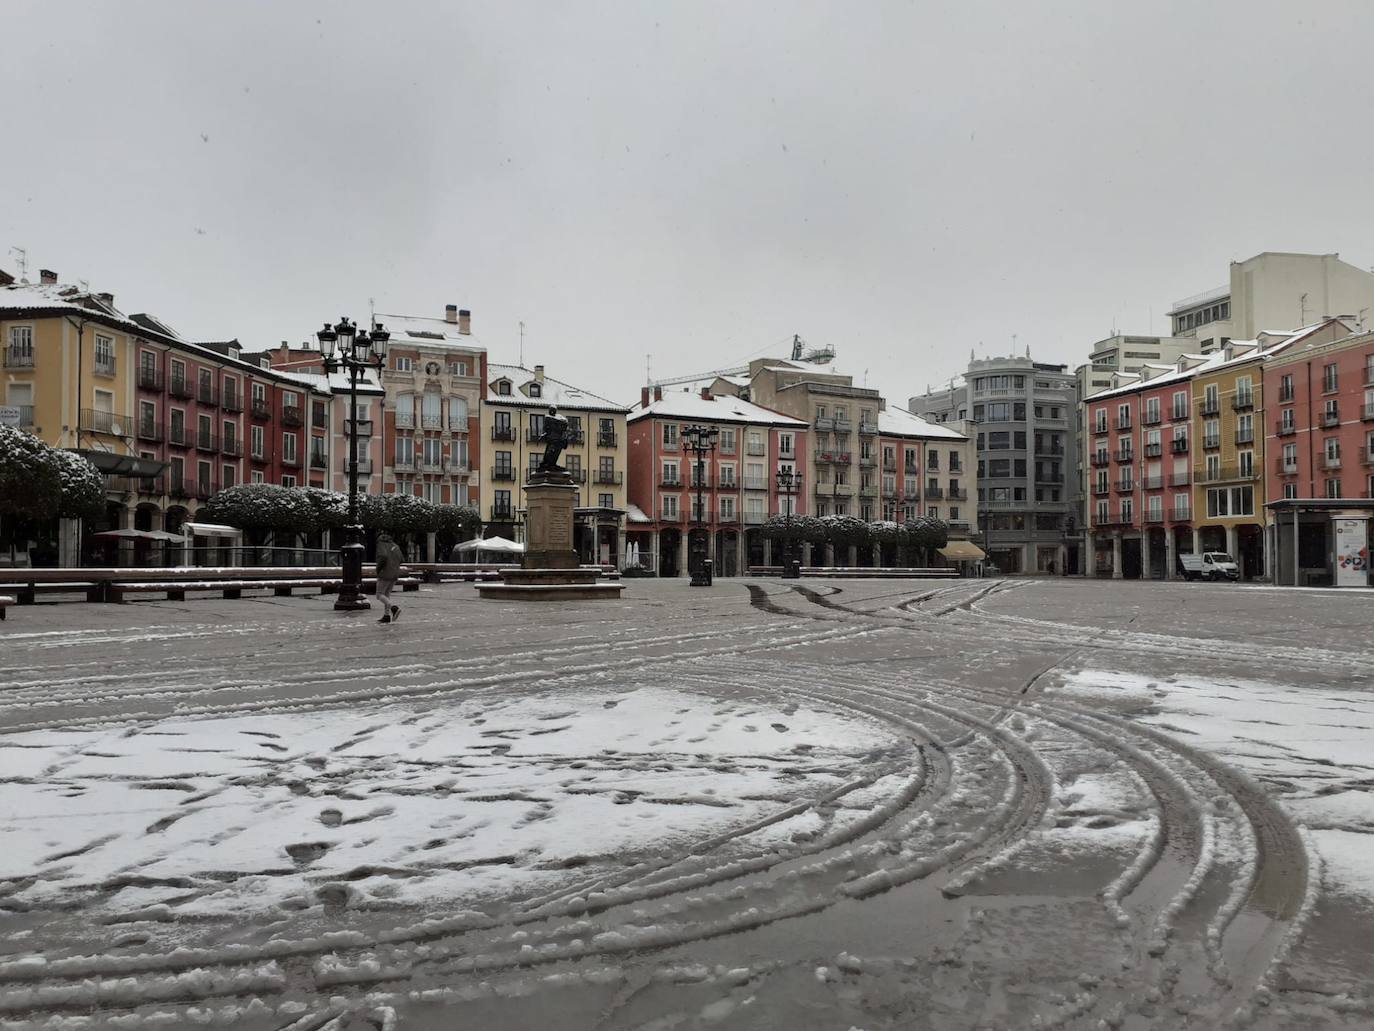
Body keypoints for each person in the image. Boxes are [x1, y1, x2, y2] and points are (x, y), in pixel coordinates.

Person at [375, 531, 405, 624]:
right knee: (386, 594)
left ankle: (393, 608)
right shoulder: (395, 546)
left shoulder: (381, 545)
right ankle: (386, 616)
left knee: (379, 595)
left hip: (385, 572)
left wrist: (378, 569)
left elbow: (383, 556)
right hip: (394, 573)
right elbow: (402, 559)